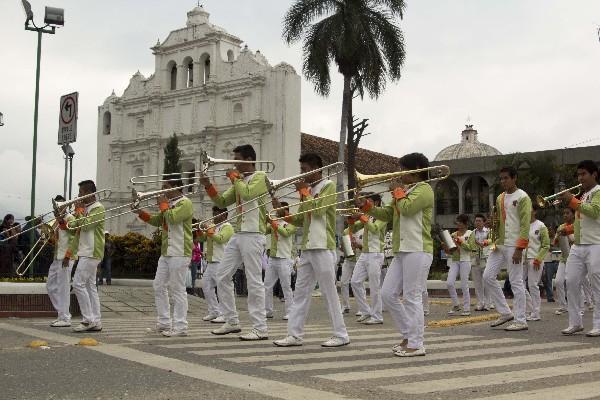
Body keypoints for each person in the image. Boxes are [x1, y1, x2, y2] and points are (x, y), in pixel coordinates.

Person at [357, 153, 434, 357]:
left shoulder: (425, 189)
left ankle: (417, 344)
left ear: (416, 168)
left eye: (403, 169)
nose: (399, 173)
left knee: (412, 296)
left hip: (418, 248)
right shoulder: (406, 191)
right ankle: (409, 334)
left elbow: (407, 209)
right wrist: (367, 207)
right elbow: (387, 215)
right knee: (387, 294)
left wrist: (397, 192)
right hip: (403, 249)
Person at [273, 153, 350, 348]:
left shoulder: (328, 186)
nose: (302, 174)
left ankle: (341, 334)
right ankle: (294, 334)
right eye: (302, 170)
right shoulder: (307, 190)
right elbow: (300, 220)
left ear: (317, 168)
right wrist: (283, 213)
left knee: (328, 292)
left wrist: (304, 193)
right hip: (307, 247)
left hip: (323, 245)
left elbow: (318, 211)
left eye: (305, 169)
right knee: (300, 293)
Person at [199, 144, 269, 340]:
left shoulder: (261, 177)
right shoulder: (239, 180)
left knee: (254, 280)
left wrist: (234, 178)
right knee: (222, 276)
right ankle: (232, 321)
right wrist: (207, 185)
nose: (233, 164)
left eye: (236, 159)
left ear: (248, 160)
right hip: (239, 233)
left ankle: (260, 328)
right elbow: (221, 202)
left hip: (254, 233)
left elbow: (247, 194)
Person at [134, 178, 193, 337]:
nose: (161, 190)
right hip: (167, 251)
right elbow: (157, 221)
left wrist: (163, 204)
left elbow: (173, 218)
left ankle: (181, 326)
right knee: (158, 285)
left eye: (165, 187)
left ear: (175, 187)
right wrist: (140, 212)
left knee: (177, 289)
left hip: (180, 250)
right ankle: (164, 322)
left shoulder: (185, 203)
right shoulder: (169, 204)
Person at [483, 166, 531, 332]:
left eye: (506, 178)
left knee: (516, 281)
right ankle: (505, 312)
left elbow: (525, 224)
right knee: (487, 276)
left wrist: (520, 248)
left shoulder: (523, 197)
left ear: (514, 178)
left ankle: (521, 319)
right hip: (499, 243)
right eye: (501, 178)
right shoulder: (500, 197)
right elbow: (499, 220)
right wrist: (492, 223)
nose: (503, 181)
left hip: (514, 244)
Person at [559, 160, 600, 337]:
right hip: (579, 245)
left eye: (584, 174)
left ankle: (598, 324)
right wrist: (567, 229)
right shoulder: (583, 195)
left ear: (594, 174)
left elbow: (595, 212)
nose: (580, 178)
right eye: (578, 174)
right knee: (571, 282)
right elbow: (581, 221)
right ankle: (575, 322)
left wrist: (572, 200)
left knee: (597, 285)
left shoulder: (598, 192)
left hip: (596, 244)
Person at [68, 180, 106, 333]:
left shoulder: (98, 208)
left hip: (92, 250)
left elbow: (87, 225)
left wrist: (78, 211)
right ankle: (96, 321)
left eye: (81, 192)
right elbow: (74, 228)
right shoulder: (85, 208)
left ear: (90, 193)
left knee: (77, 284)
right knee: (90, 287)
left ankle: (87, 320)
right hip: (85, 251)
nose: (78, 195)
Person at [349, 193, 387, 325]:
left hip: (376, 253)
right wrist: (351, 219)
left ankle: (377, 316)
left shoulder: (382, 214)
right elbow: (353, 228)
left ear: (376, 203)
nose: (365, 204)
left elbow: (375, 228)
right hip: (365, 252)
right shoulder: (368, 215)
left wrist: (361, 216)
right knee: (355, 282)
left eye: (368, 201)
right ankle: (366, 311)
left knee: (374, 285)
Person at [197, 206, 234, 323]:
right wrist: (199, 229)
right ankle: (214, 311)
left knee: (222, 289)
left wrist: (209, 230)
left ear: (224, 215)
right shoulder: (213, 226)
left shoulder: (227, 227)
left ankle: (225, 314)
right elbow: (201, 239)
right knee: (206, 287)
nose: (213, 216)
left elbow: (220, 239)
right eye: (213, 213)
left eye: (216, 214)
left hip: (221, 261)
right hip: (211, 261)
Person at [47, 196, 78, 327]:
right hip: (57, 256)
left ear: (66, 206)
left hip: (66, 257)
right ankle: (62, 314)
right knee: (51, 286)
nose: (57, 208)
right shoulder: (58, 221)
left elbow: (74, 236)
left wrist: (68, 255)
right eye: (56, 207)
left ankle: (65, 318)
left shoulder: (70, 218)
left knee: (63, 287)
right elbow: (54, 238)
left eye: (59, 206)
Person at [264, 201, 296, 320]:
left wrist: (272, 222)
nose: (276, 210)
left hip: (284, 258)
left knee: (286, 286)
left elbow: (285, 233)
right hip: (272, 258)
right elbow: (263, 230)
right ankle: (268, 311)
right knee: (266, 286)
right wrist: (264, 218)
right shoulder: (274, 222)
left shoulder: (291, 223)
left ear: (285, 210)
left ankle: (290, 311)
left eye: (278, 208)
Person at [523, 206, 550, 321]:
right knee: (519, 284)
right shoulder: (522, 225)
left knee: (533, 285)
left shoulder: (541, 226)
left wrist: (538, 258)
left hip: (535, 259)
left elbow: (546, 245)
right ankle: (529, 309)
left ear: (534, 211)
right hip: (523, 259)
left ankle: (536, 312)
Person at [444, 214, 473, 316]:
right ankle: (456, 305)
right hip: (455, 261)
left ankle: (467, 308)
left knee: (464, 284)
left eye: (460, 222)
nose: (458, 224)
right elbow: (449, 252)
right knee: (449, 283)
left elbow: (471, 248)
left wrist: (460, 242)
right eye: (457, 222)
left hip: (465, 260)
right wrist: (446, 247)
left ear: (465, 223)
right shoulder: (453, 234)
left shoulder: (470, 233)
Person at [467, 214, 493, 311]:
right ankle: (480, 303)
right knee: (477, 283)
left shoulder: (489, 232)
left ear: (484, 222)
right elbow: (469, 245)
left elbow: (492, 242)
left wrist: (483, 244)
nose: (477, 222)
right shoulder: (472, 233)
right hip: (475, 259)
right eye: (476, 221)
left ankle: (488, 303)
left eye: (479, 221)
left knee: (487, 281)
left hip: (486, 259)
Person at [553, 209, 575, 315]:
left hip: (576, 258)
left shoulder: (577, 226)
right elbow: (555, 243)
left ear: (574, 214)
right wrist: (556, 237)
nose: (565, 215)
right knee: (558, 281)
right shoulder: (561, 227)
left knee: (576, 283)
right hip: (564, 258)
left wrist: (568, 235)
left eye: (568, 213)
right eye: (564, 213)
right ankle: (563, 306)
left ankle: (583, 305)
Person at [340, 219, 363, 314]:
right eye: (349, 220)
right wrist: (343, 247)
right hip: (348, 259)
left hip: (359, 258)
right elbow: (343, 247)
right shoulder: (346, 231)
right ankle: (345, 306)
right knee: (343, 282)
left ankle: (362, 308)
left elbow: (365, 246)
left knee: (358, 283)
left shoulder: (362, 229)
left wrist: (358, 245)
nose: (350, 221)